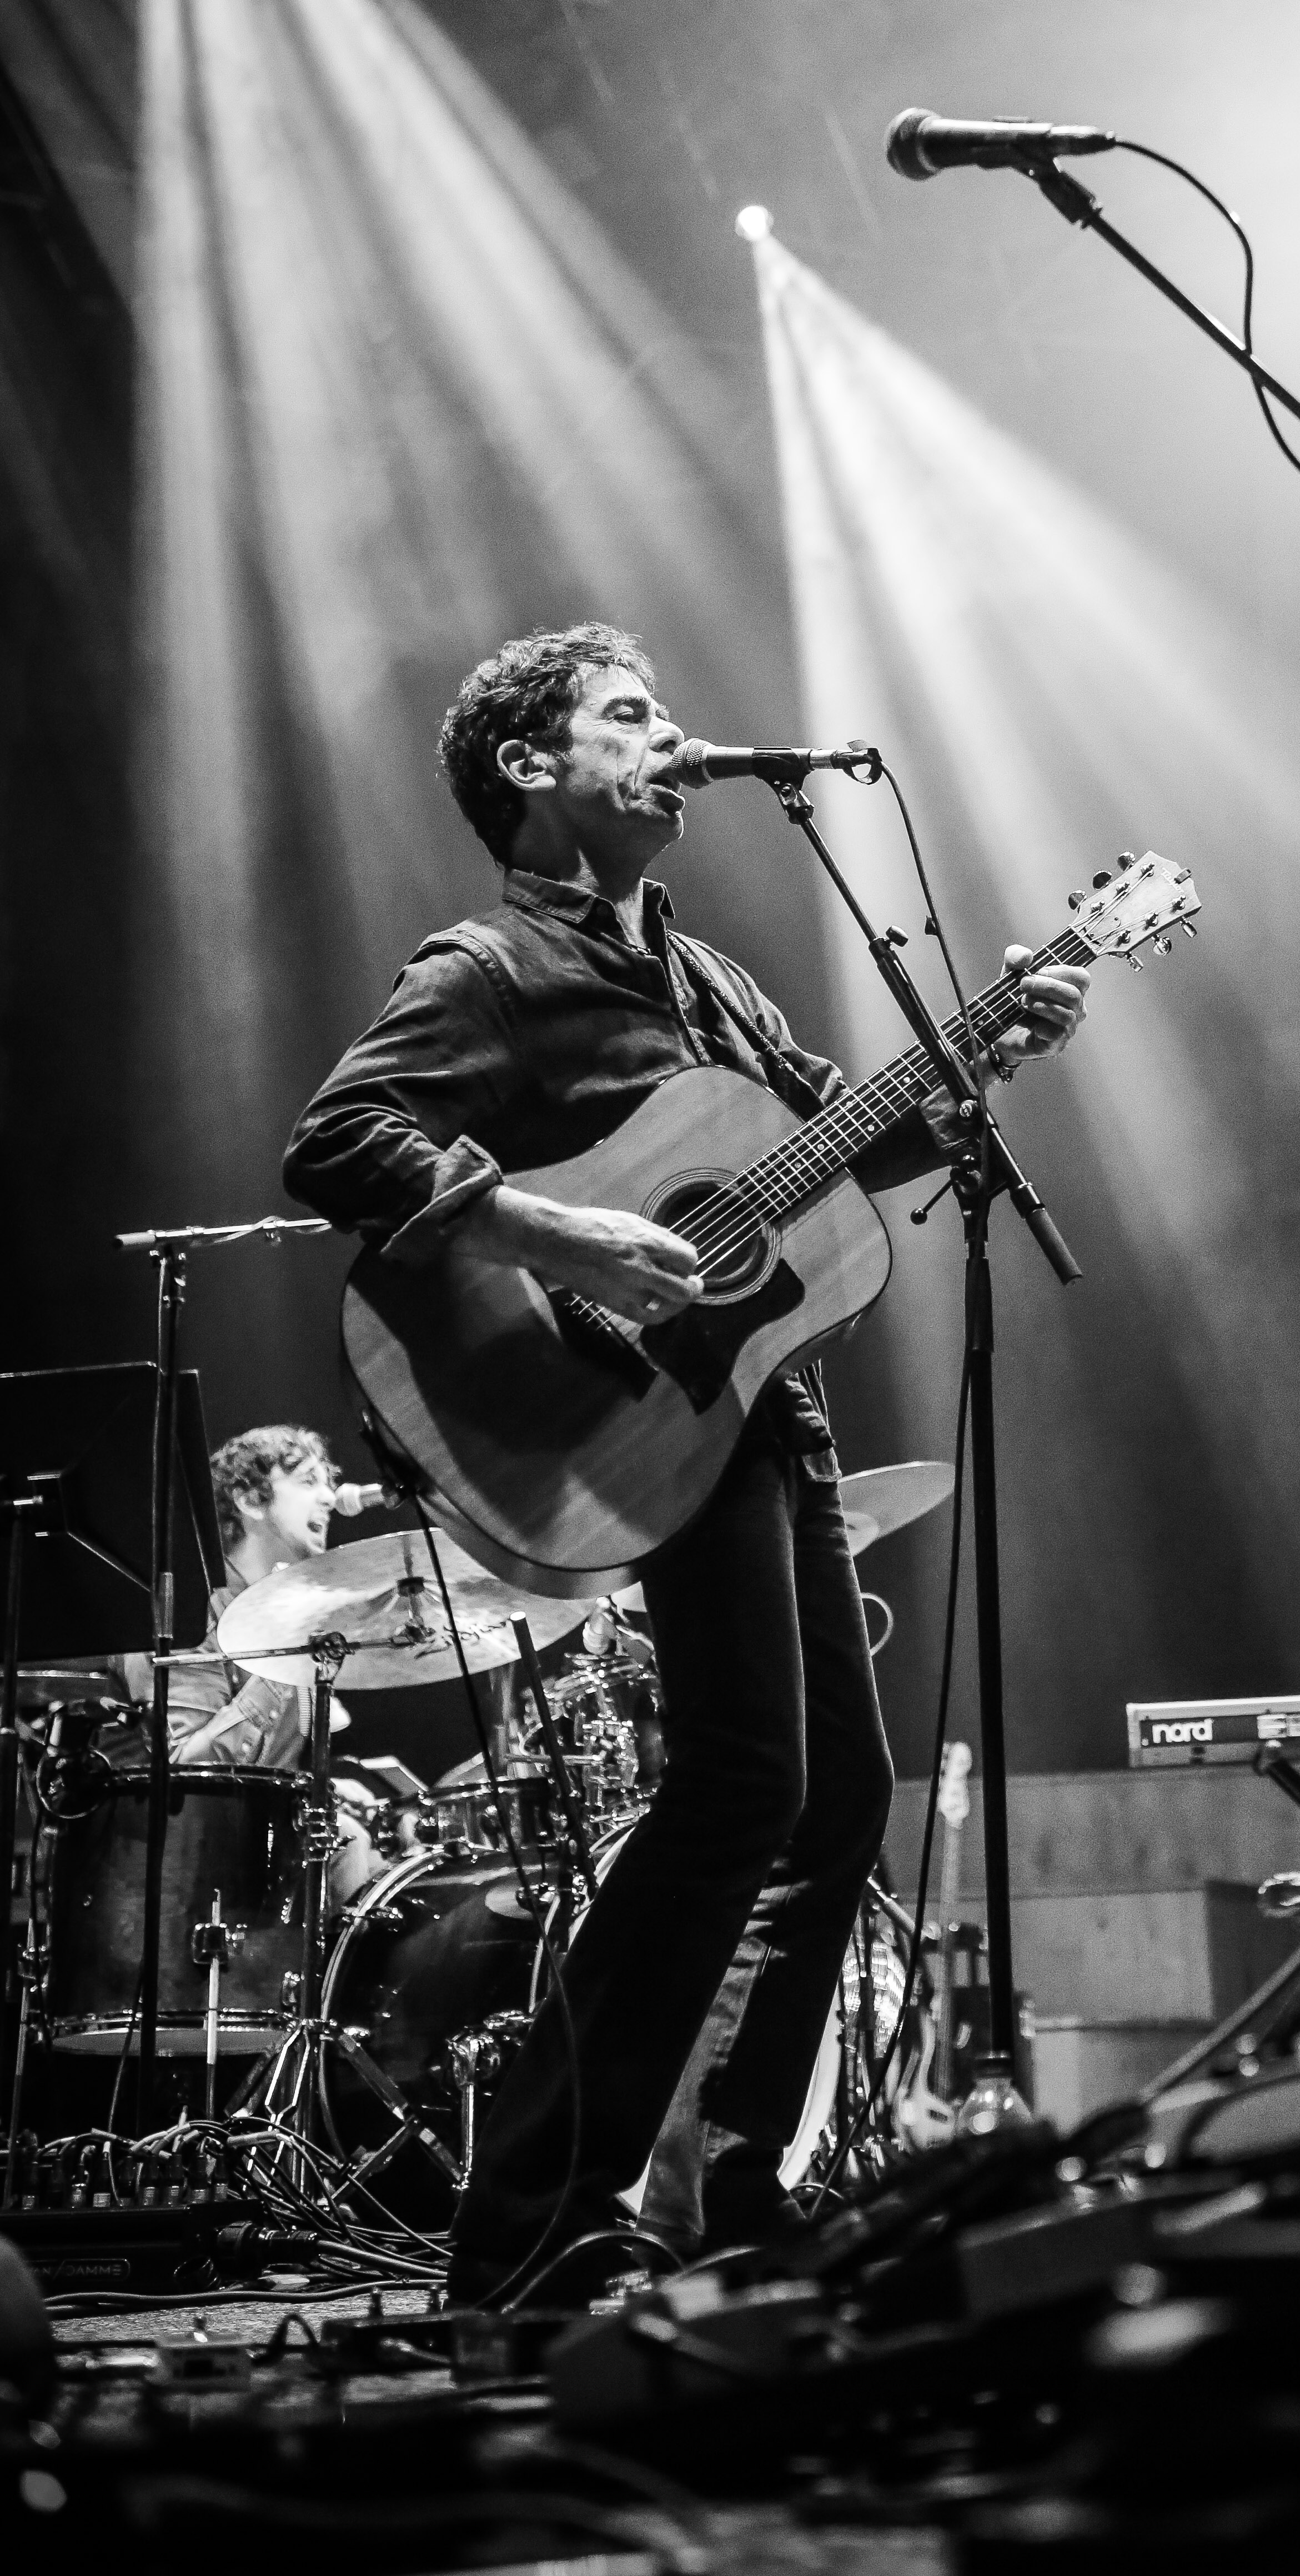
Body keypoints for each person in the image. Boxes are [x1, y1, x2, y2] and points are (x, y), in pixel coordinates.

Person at [283, 623, 1087, 2301]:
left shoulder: (714, 981)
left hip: (751, 1399)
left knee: (835, 1793)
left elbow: (841, 1149)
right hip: (622, 1407)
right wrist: (556, 1232)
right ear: (530, 766)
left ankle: (730, 2181)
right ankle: (530, 2220)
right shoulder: (490, 963)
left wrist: (992, 1045)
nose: (675, 737)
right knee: (738, 1785)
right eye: (630, 715)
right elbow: (338, 1140)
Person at [119, 1424, 378, 1902]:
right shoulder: (189, 1610)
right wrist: (280, 1659)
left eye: (328, 1483)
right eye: (308, 1482)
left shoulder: (288, 1613)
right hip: (176, 1866)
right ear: (250, 1501)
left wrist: (322, 1787)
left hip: (258, 1841)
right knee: (348, 1843)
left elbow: (271, 1770)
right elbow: (187, 1778)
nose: (329, 1498)